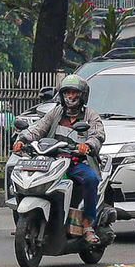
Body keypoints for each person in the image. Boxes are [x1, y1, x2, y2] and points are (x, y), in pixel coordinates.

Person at [14, 74, 105, 245]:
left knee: (91, 179)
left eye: (74, 92)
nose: (70, 96)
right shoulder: (56, 112)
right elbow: (38, 129)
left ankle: (87, 225)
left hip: (77, 163)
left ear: (82, 95)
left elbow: (98, 135)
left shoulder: (90, 115)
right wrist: (22, 140)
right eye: (67, 92)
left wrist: (88, 145)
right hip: (53, 161)